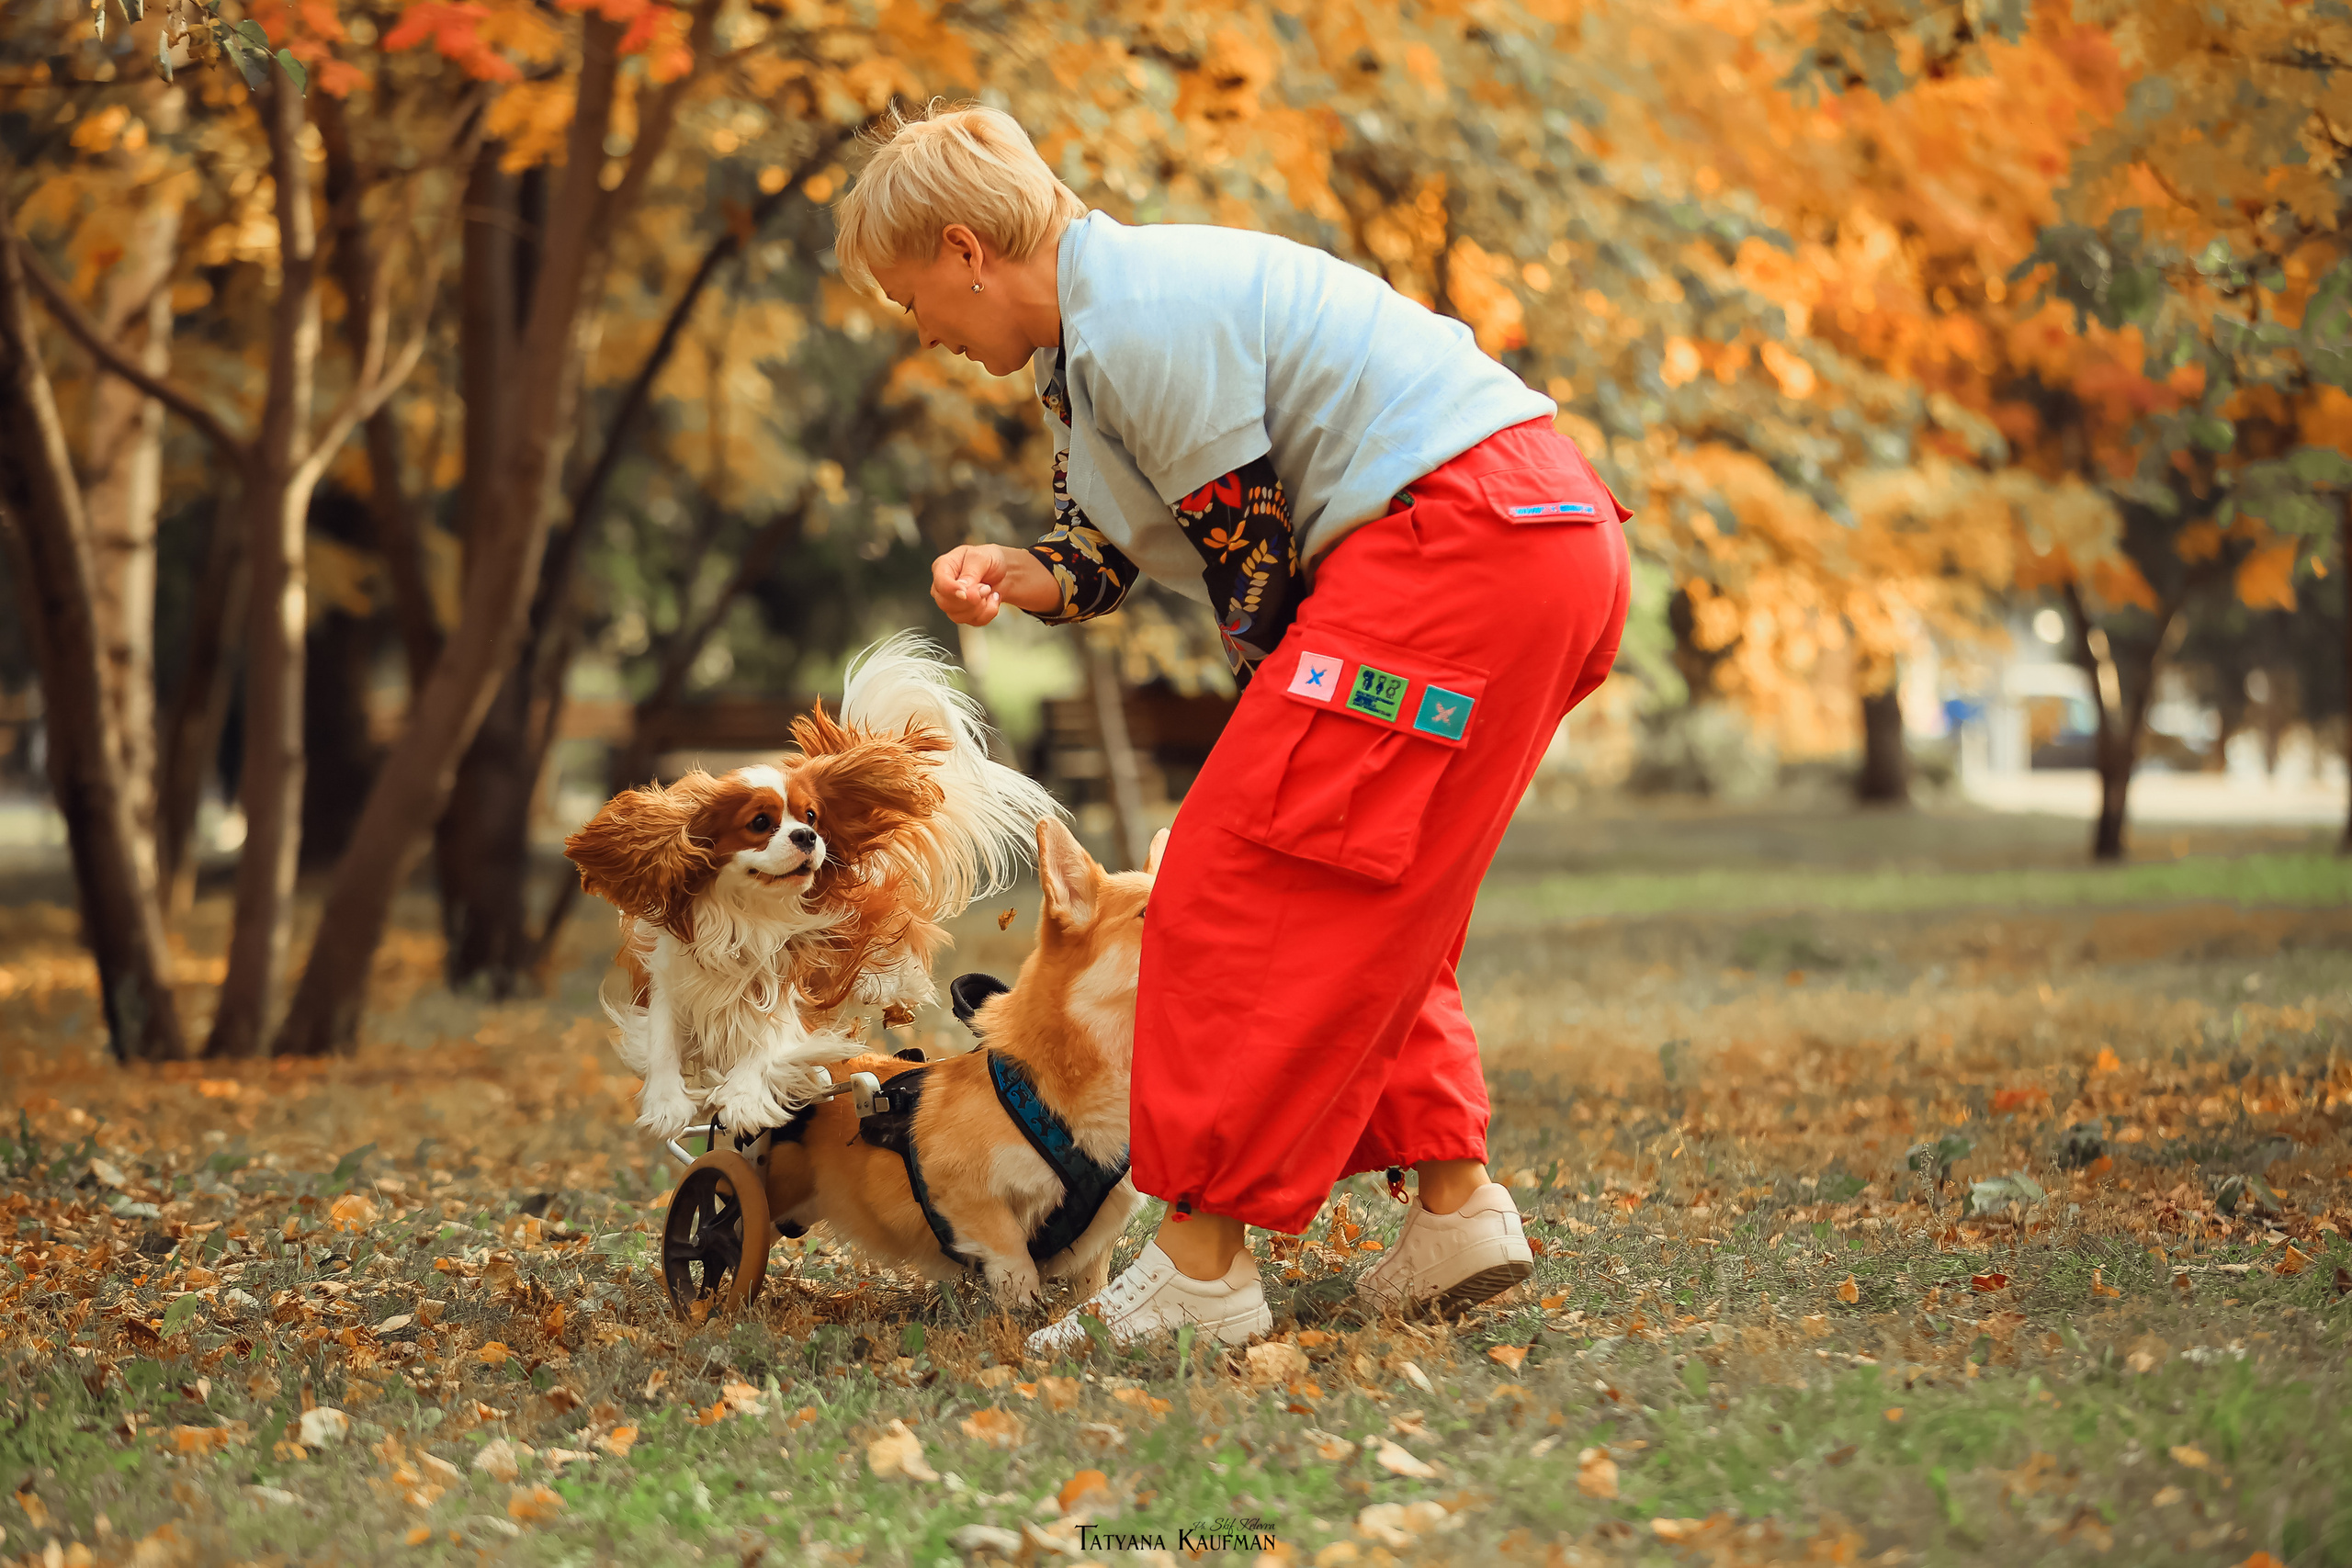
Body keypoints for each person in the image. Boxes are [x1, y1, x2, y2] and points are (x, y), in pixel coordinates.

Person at [832, 101, 1630, 1357]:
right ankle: (1453, 1209)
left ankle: (1198, 1271)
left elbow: (1251, 564)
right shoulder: (1097, 344)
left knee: (1225, 881)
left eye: (911, 295)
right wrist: (1022, 571)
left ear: (964, 251)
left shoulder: (1138, 317)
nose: (920, 328)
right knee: (1369, 885)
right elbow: (1115, 552)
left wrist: (1270, 742)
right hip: (1539, 542)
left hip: (1455, 549)